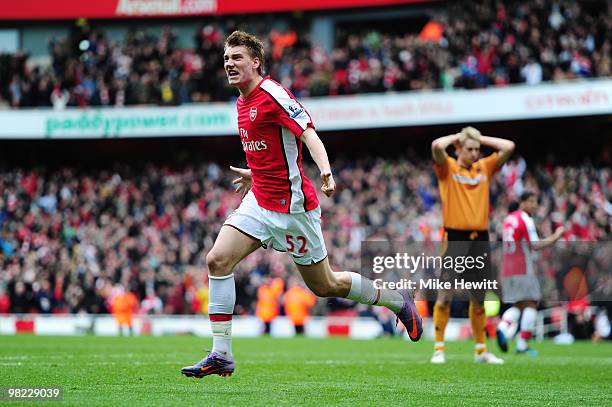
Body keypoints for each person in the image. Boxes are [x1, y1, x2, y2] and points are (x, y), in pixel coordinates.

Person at [181, 31, 422, 379]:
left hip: (294, 209)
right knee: (217, 259)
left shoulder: (273, 94)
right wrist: (255, 174)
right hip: (260, 201)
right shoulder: (241, 101)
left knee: (325, 286)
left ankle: (397, 300)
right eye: (226, 58)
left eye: (236, 58)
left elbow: (307, 132)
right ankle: (221, 354)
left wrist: (325, 171)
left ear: (255, 62)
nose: (229, 64)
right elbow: (270, 149)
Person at [430, 126, 515, 364]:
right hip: (455, 238)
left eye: (478, 149)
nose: (475, 153)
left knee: (479, 297)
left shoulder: (484, 167)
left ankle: (480, 350)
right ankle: (439, 349)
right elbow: (437, 146)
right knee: (445, 295)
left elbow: (509, 147)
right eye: (470, 149)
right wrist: (459, 138)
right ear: (458, 148)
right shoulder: (448, 167)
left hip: (480, 239)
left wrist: (478, 138)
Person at [497, 191, 565, 355]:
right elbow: (534, 245)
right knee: (532, 303)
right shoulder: (525, 219)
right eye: (532, 202)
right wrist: (555, 237)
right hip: (522, 267)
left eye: (536, 202)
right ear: (523, 203)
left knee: (519, 304)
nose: (535, 206)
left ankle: (503, 327)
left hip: (507, 268)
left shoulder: (508, 219)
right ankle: (521, 344)